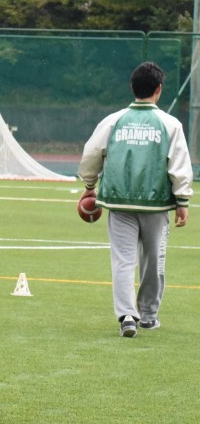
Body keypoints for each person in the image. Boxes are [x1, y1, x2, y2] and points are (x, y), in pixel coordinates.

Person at [77, 61, 193, 338]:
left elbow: (91, 154)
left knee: (123, 260)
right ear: (159, 89)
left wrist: (90, 185)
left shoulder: (113, 121)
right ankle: (149, 316)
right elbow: (179, 165)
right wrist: (182, 201)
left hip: (119, 203)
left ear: (132, 87)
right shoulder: (170, 124)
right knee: (154, 260)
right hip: (156, 205)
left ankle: (127, 316)